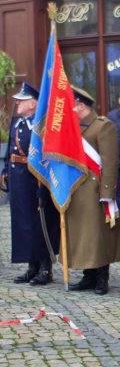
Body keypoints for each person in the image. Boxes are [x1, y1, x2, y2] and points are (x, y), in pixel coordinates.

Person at [66, 86, 120, 295]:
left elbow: (110, 162)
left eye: (72, 104)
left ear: (81, 105)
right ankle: (88, 275)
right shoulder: (73, 127)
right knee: (84, 236)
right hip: (77, 190)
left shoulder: (103, 126)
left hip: (95, 191)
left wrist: (107, 192)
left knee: (99, 235)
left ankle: (102, 277)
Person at [0, 82, 60, 286]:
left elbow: (47, 156)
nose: (17, 103)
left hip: (35, 179)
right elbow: (10, 150)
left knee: (39, 222)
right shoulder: (17, 122)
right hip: (18, 180)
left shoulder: (41, 125)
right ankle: (31, 266)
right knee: (23, 224)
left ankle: (45, 268)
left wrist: (44, 183)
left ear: (33, 103)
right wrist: (6, 172)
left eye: (22, 100)